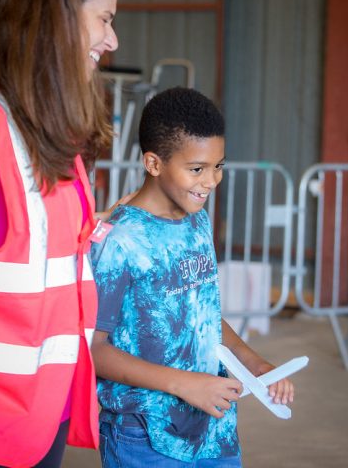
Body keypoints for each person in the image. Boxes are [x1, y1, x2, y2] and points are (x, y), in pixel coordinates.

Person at [91, 87, 294, 467]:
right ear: (153, 164)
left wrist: (255, 364)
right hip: (145, 434)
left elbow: (200, 311)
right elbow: (94, 349)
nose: (212, 181)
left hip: (212, 429)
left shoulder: (197, 220)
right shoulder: (119, 241)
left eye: (219, 166)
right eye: (197, 169)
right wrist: (184, 384)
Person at [0, 0, 120, 468]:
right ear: (58, 18)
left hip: (43, 412)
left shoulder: (57, 144)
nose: (112, 41)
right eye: (104, 19)